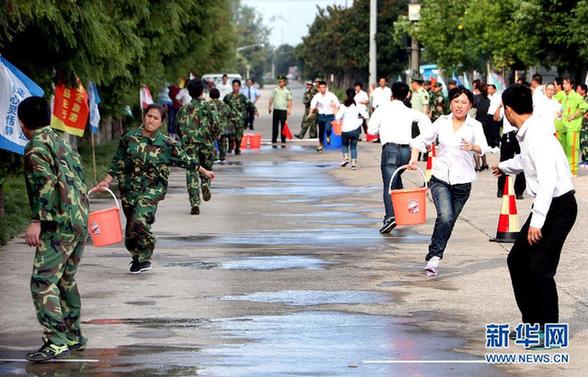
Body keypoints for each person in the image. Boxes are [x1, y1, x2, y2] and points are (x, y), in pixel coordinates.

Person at [491, 85, 577, 347]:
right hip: (549, 204)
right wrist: (504, 167)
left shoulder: (536, 134)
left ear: (507, 109)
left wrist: (537, 221)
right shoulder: (529, 132)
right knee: (517, 260)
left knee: (540, 268)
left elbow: (548, 180)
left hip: (557, 207)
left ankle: (549, 333)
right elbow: (527, 162)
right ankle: (532, 323)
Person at [94, 104, 214, 274]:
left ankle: (146, 252)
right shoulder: (129, 138)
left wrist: (204, 171)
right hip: (129, 188)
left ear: (161, 123)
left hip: (153, 189)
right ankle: (137, 257)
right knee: (131, 227)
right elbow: (117, 162)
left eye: (155, 118)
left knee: (139, 219)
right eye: (149, 116)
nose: (151, 120)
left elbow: (185, 159)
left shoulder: (166, 144)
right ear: (144, 117)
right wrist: (106, 181)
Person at [18, 96, 89, 362]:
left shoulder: (35, 146)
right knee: (65, 280)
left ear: (22, 123)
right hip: (78, 218)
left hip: (58, 223)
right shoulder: (62, 141)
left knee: (43, 282)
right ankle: (73, 336)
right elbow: (79, 177)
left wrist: (37, 220)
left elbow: (45, 184)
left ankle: (56, 340)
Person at [408, 87, 489, 277]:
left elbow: (484, 148)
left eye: (463, 102)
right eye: (456, 101)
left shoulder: (475, 126)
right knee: (445, 216)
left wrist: (473, 147)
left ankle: (434, 254)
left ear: (470, 105)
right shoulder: (441, 122)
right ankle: (434, 258)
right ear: (450, 103)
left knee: (449, 221)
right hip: (440, 179)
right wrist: (413, 158)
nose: (459, 106)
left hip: (463, 182)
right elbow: (420, 141)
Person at [368, 82, 432, 234]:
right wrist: (422, 141)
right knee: (397, 180)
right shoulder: (410, 112)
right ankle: (402, 212)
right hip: (406, 152)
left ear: (391, 94)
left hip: (390, 150)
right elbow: (425, 121)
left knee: (389, 185)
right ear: (407, 95)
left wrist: (383, 131)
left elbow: (371, 129)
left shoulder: (382, 109)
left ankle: (390, 217)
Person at [176, 80, 221, 215]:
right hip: (206, 142)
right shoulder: (210, 107)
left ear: (189, 93)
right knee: (206, 168)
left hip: (189, 144)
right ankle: (206, 184)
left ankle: (195, 202)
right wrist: (213, 138)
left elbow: (178, 128)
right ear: (203, 91)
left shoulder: (183, 109)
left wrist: (185, 139)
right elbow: (217, 125)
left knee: (191, 171)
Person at [493, 100, 526, 199]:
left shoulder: (523, 107)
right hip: (508, 135)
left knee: (523, 161)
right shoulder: (505, 107)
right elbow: (496, 118)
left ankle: (519, 190)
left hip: (520, 135)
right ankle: (501, 188)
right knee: (504, 161)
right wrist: (499, 107)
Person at [559, 77, 588, 176]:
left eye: (566, 83)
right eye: (563, 83)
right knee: (562, 149)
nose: (564, 85)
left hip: (573, 127)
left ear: (571, 85)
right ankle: (564, 170)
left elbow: (584, 107)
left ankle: (573, 170)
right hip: (563, 126)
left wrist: (574, 115)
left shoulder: (576, 96)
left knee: (572, 149)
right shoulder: (562, 95)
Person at [335, 88, 369, 170]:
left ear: (346, 95)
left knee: (344, 145)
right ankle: (353, 164)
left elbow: (337, 117)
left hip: (345, 129)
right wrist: (359, 117)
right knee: (353, 147)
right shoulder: (359, 105)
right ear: (355, 95)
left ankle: (346, 157)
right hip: (355, 130)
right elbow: (366, 116)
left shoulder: (343, 106)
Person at [309, 80, 340, 152]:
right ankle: (321, 144)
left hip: (330, 115)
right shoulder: (317, 96)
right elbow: (313, 105)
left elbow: (337, 104)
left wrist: (335, 109)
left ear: (326, 88)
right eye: (321, 87)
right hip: (321, 115)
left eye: (324, 87)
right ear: (318, 88)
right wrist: (310, 113)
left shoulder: (331, 95)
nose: (322, 89)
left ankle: (328, 136)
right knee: (321, 131)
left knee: (328, 128)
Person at [224, 79, 250, 155]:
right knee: (230, 136)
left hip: (240, 120)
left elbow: (249, 104)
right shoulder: (228, 97)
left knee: (239, 136)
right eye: (234, 86)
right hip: (230, 120)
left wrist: (255, 111)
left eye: (236, 86)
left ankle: (237, 148)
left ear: (239, 87)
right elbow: (223, 106)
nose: (235, 88)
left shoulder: (242, 97)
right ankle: (230, 147)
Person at [268, 75, 293, 145]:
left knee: (283, 125)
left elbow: (290, 101)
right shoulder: (275, 90)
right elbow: (271, 98)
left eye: (282, 82)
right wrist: (269, 107)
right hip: (276, 110)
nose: (281, 83)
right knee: (275, 125)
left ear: (284, 83)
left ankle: (283, 139)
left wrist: (289, 110)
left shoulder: (287, 91)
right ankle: (274, 139)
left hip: (283, 110)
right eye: (279, 82)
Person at [208, 88, 230, 162]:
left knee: (212, 142)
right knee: (223, 142)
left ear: (210, 95)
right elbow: (229, 113)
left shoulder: (207, 104)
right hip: (222, 127)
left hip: (212, 127)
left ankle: (214, 157)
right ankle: (222, 157)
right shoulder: (224, 104)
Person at [473, 83, 491, 171]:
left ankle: (477, 165)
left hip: (476, 122)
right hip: (486, 123)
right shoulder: (488, 99)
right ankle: (484, 163)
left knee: (475, 144)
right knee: (482, 143)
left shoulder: (476, 98)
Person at [486, 84, 502, 149]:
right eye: (488, 89)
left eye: (490, 89)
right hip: (489, 115)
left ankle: (498, 144)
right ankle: (492, 145)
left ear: (494, 89)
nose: (488, 90)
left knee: (495, 131)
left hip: (494, 115)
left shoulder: (498, 97)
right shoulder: (489, 97)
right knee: (490, 131)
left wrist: (497, 116)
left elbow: (499, 107)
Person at [577, 83, 588, 166]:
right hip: (581, 124)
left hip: (586, 125)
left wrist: (584, 115)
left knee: (585, 142)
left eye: (578, 89)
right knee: (582, 142)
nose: (577, 91)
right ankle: (584, 158)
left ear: (583, 91)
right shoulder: (580, 99)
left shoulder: (586, 99)